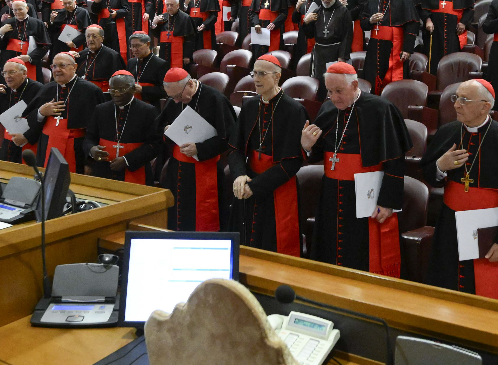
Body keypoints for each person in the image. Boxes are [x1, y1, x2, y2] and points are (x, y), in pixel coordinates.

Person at [421, 79, 498, 303]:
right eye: (456, 98)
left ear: (485, 106)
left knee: (488, 291)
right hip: (450, 226)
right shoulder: (447, 132)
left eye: (464, 100)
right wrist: (439, 167)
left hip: (490, 230)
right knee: (448, 286)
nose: (456, 105)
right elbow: (427, 174)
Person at [299, 63, 410, 274]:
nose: (334, 97)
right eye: (330, 91)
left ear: (355, 85)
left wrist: (387, 203)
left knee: (362, 255)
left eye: (339, 91)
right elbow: (317, 151)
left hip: (365, 195)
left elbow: (395, 161)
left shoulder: (381, 109)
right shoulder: (328, 108)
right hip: (331, 194)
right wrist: (306, 145)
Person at [230, 55, 308, 255]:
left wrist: (255, 187)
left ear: (277, 77)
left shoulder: (294, 110)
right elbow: (236, 149)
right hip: (249, 180)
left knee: (273, 244)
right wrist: (239, 175)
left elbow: (292, 162)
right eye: (254, 73)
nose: (256, 78)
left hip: (278, 185)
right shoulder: (249, 105)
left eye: (262, 74)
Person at [158, 68, 236, 231]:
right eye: (172, 97)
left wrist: (199, 148)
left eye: (178, 96)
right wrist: (167, 131)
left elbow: (229, 138)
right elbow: (160, 127)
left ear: (191, 84)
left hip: (205, 170)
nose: (176, 101)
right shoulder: (175, 100)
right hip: (177, 171)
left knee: (204, 221)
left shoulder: (216, 99)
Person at [26, 52, 102, 171]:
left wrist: (90, 162)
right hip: (46, 145)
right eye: (54, 66)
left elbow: (96, 129)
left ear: (74, 67)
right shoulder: (46, 89)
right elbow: (29, 119)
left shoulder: (91, 91)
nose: (57, 70)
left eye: (62, 66)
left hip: (76, 148)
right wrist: (41, 113)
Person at [84, 70, 161, 184]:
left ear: (133, 89)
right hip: (103, 169)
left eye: (122, 90)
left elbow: (155, 144)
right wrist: (92, 150)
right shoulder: (101, 109)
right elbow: (89, 138)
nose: (117, 94)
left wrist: (127, 160)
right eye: (113, 90)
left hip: (136, 168)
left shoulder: (148, 111)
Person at [362, 0, 417, 92]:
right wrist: (370, 21)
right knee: (373, 76)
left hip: (396, 47)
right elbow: (363, 24)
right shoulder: (372, 1)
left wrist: (407, 49)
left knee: (395, 76)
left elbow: (412, 25)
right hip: (374, 48)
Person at [417, 0, 475, 73]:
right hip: (434, 28)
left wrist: (463, 22)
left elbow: (470, 8)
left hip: (454, 29)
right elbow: (421, 7)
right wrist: (427, 20)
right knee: (434, 56)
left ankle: (451, 79)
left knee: (452, 56)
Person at [0, 59, 44, 162]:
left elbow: (42, 120)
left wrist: (26, 137)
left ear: (24, 73)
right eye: (4, 73)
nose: (7, 76)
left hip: (30, 142)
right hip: (8, 142)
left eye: (12, 72)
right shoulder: (4, 90)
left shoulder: (38, 89)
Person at [0, 0, 48, 79]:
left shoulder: (38, 24)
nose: (17, 12)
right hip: (9, 59)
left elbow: (45, 45)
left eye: (20, 9)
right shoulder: (7, 23)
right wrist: (1, 33)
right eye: (15, 10)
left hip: (30, 61)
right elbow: (0, 46)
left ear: (27, 9)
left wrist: (30, 57)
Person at [151, 0, 197, 72]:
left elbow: (190, 39)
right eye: (167, 5)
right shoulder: (162, 17)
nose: (169, 7)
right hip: (164, 52)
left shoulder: (185, 18)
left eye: (171, 5)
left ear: (177, 5)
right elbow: (156, 35)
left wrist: (187, 56)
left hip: (180, 52)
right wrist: (154, 23)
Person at [127, 31, 169, 103]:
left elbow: (165, 91)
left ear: (148, 44)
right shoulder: (131, 62)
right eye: (132, 46)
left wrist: (143, 89)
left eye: (137, 46)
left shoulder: (160, 64)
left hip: (152, 105)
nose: (134, 50)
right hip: (132, 103)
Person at [77, 24, 123, 89]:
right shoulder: (81, 54)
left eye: (94, 36)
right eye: (88, 36)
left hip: (102, 92)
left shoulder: (112, 55)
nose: (91, 39)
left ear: (102, 38)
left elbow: (117, 80)